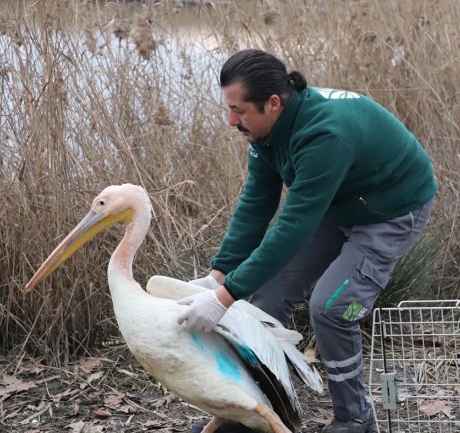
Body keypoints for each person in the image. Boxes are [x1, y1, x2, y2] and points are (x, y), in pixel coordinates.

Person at [177, 49, 436, 433]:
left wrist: (223, 298)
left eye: (239, 110)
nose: (231, 120)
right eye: (229, 108)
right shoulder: (264, 130)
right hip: (336, 204)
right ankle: (256, 413)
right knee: (265, 299)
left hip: (390, 210)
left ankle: (355, 419)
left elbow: (294, 226)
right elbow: (256, 203)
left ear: (273, 103)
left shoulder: (324, 135)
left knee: (333, 306)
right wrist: (220, 274)